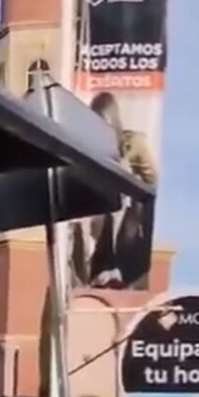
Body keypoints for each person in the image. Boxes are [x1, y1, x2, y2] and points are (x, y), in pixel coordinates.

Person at [70, 91, 157, 289]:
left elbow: (152, 182)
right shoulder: (88, 201)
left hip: (127, 287)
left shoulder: (137, 207)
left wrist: (119, 272)